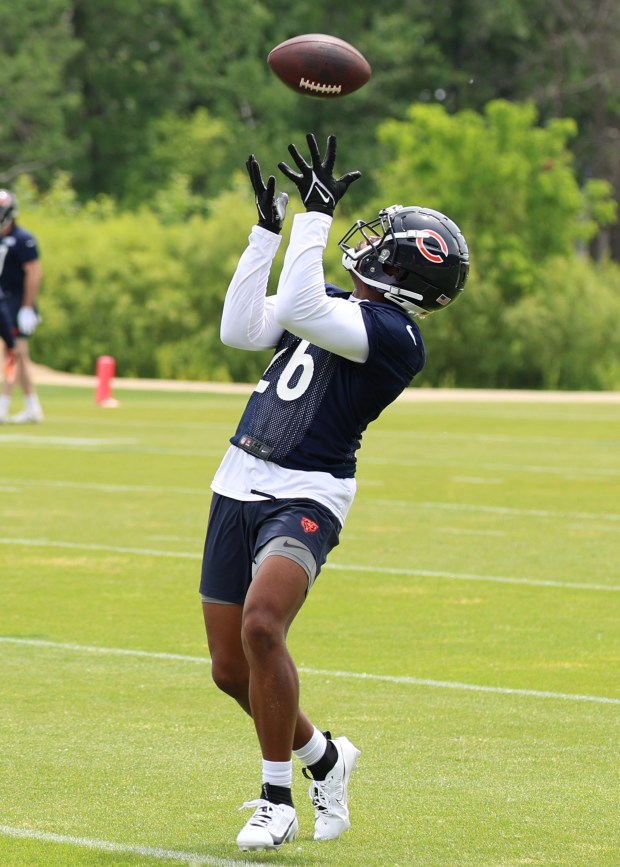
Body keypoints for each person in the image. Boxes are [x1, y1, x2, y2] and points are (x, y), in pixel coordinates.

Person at [200, 133, 469, 852]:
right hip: (239, 478)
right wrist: (266, 231)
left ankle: (274, 798)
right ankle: (325, 756)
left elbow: (306, 305)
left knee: (263, 626)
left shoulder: (394, 335)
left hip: (308, 491)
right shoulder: (336, 304)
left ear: (409, 270)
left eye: (388, 240)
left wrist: (313, 220)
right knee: (231, 670)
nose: (372, 241)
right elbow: (242, 325)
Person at [0, 189, 44, 424]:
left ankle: (4, 405)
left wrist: (27, 307)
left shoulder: (22, 239)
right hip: (2, 301)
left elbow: (34, 273)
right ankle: (32, 406)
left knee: (14, 353)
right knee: (19, 357)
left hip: (16, 303)